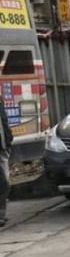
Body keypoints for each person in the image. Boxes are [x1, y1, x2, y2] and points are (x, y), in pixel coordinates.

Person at [0, 95, 12, 227]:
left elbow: (4, 122)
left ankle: (1, 214)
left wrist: (8, 139)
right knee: (3, 182)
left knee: (5, 183)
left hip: (3, 147)